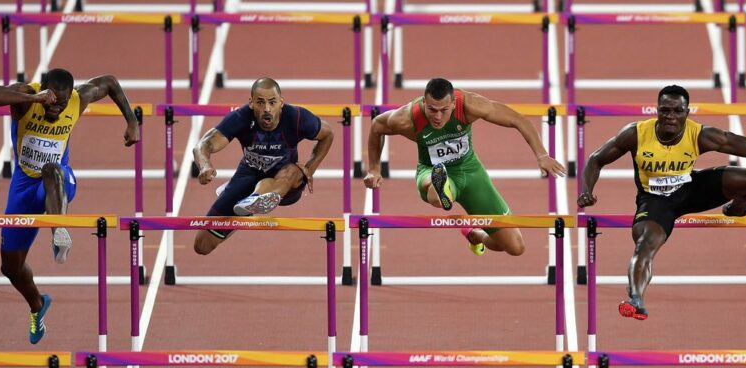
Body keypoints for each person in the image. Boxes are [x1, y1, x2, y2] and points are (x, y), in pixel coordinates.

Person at [577, 85, 746, 320]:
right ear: (656, 110)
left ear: (687, 112)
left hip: (691, 190)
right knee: (644, 246)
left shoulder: (699, 134)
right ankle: (636, 298)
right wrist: (587, 190)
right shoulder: (636, 134)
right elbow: (596, 159)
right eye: (665, 110)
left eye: (677, 111)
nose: (670, 116)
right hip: (655, 202)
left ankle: (737, 208)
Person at [0, 68, 139, 344]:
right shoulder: (27, 97)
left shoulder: (77, 99)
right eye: (53, 101)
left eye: (62, 104)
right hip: (25, 185)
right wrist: (38, 98)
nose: (58, 108)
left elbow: (110, 82)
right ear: (44, 90)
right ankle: (38, 304)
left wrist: (132, 121)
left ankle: (59, 230)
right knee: (10, 268)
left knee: (52, 168)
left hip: (59, 181)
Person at [363, 77, 566, 256]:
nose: (437, 117)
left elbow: (517, 119)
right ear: (424, 102)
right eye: (432, 109)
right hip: (429, 169)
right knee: (439, 196)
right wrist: (374, 168)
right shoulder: (407, 117)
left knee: (515, 247)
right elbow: (377, 127)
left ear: (453, 104)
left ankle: (474, 234)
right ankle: (440, 185)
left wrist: (542, 154)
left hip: (470, 171)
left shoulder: (469, 105)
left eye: (444, 110)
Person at [192, 78, 334, 255]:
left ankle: (255, 200)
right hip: (248, 176)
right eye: (260, 102)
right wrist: (205, 166)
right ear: (251, 103)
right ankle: (248, 206)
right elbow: (203, 145)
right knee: (202, 246)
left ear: (281, 102)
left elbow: (327, 134)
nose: (267, 108)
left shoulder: (296, 117)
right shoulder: (241, 118)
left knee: (293, 170)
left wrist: (310, 168)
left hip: (286, 184)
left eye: (272, 102)